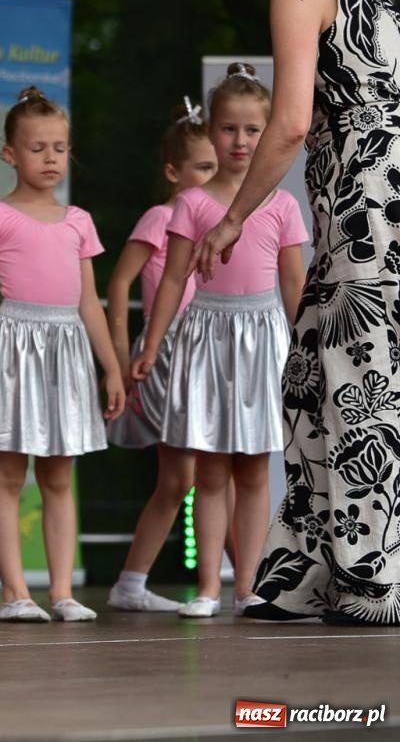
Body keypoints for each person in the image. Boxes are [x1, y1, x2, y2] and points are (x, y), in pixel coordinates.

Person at [190, 0, 400, 627]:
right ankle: (305, 572)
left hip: (365, 214)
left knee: (355, 381)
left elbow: (290, 121)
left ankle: (372, 577)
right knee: (314, 373)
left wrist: (236, 215)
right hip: (378, 205)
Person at [133, 66, 305, 618]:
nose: (241, 142)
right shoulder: (193, 204)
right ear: (211, 130)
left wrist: (304, 348)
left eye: (253, 130)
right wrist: (152, 344)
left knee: (255, 469)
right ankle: (208, 585)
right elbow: (174, 279)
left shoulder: (280, 204)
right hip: (207, 336)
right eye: (229, 129)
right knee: (209, 469)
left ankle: (247, 584)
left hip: (262, 337)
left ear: (269, 130)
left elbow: (293, 283)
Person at [0, 87, 124, 624]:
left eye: (59, 147)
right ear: (11, 154)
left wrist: (111, 368)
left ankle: (61, 592)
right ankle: (15, 593)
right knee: (9, 474)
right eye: (37, 148)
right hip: (12, 346)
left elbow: (90, 304)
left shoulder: (78, 221)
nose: (50, 157)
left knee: (59, 477)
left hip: (66, 350)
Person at [104, 102, 218, 613]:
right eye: (204, 167)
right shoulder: (162, 216)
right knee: (181, 477)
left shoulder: (219, 219)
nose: (213, 177)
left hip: (205, 347)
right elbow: (120, 282)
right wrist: (119, 356)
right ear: (174, 172)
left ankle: (238, 578)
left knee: (210, 471)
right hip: (166, 352)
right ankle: (132, 582)